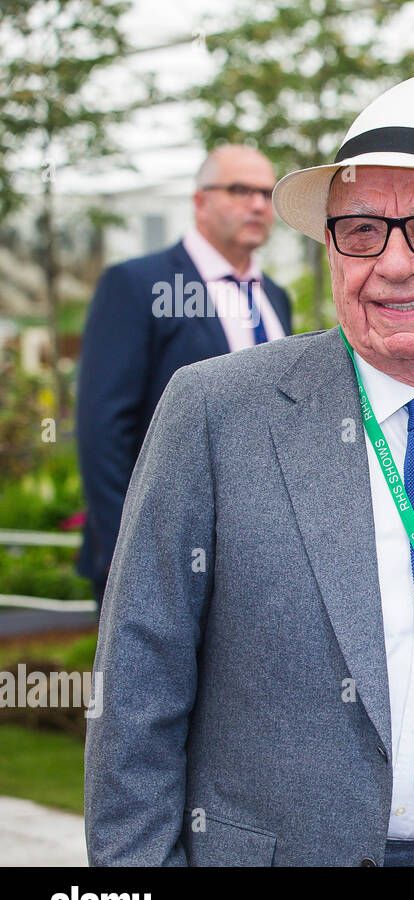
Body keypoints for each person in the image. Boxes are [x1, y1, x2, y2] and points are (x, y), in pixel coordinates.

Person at [84, 74, 414, 866]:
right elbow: (136, 693)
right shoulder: (219, 412)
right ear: (331, 252)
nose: (393, 265)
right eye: (360, 230)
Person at [76, 144, 293, 606]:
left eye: (265, 192)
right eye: (239, 190)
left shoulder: (276, 297)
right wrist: (127, 550)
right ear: (200, 201)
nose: (257, 204)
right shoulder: (138, 285)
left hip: (260, 562)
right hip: (160, 551)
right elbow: (102, 427)